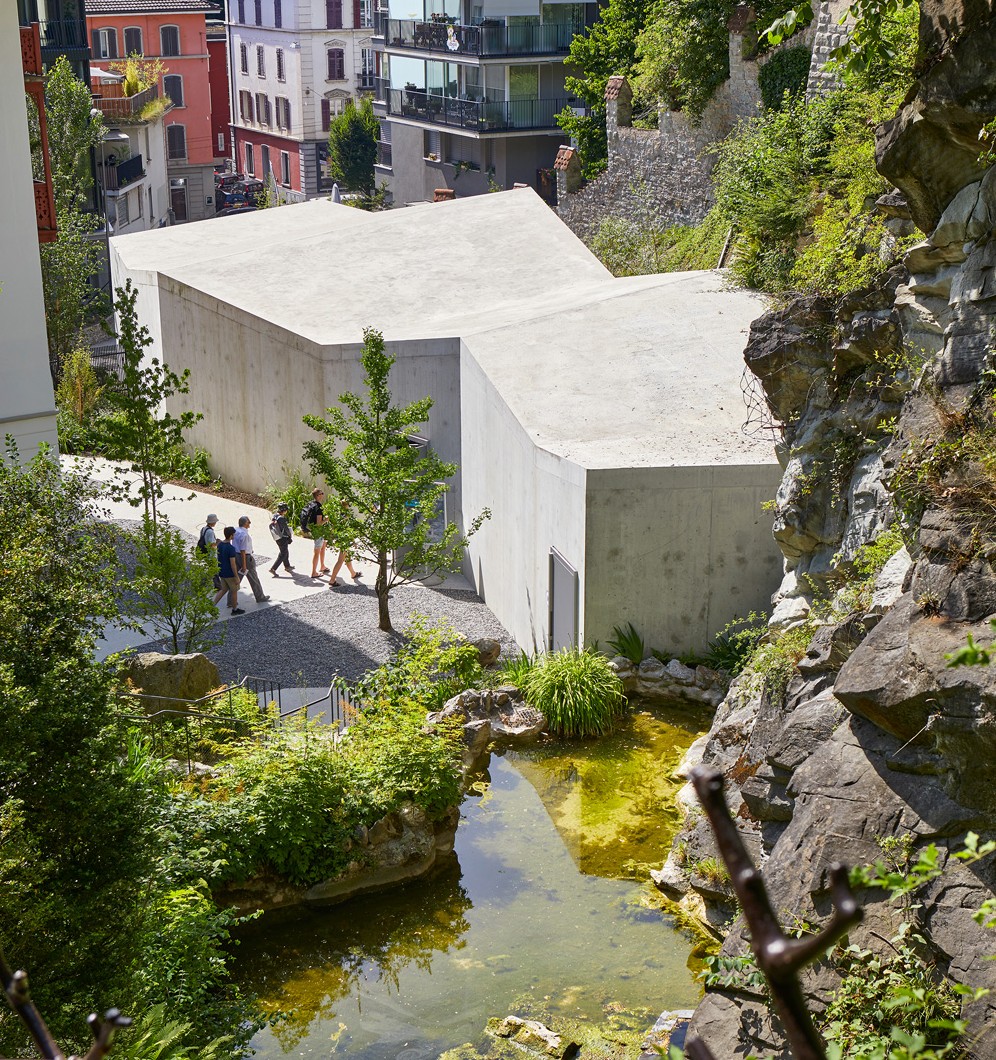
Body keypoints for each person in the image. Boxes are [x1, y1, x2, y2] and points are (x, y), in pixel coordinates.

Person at [233, 515, 270, 604]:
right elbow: (243, 550)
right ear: (245, 523)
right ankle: (260, 596)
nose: (250, 523)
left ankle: (231, 600)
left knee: (237, 578)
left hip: (236, 556)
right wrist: (244, 565)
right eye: (249, 522)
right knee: (253, 578)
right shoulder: (244, 534)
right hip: (245, 557)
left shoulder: (235, 530)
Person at [328, 499, 362, 589]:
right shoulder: (346, 516)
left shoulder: (338, 514)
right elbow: (347, 530)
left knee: (347, 557)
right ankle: (332, 580)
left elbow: (334, 527)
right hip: (345, 540)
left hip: (340, 538)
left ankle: (353, 573)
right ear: (346, 505)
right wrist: (353, 540)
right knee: (340, 560)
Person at [213, 526, 244, 614]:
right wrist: (236, 576)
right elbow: (233, 564)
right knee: (234, 591)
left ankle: (211, 606)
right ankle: (234, 609)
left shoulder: (220, 545)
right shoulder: (231, 549)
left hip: (222, 572)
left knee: (223, 589)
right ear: (231, 535)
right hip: (230, 574)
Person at [304, 488, 330, 579]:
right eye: (322, 493)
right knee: (317, 551)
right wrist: (326, 519)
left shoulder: (313, 504)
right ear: (318, 496)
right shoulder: (318, 507)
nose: (323, 494)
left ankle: (322, 566)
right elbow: (319, 523)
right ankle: (314, 572)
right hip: (318, 531)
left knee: (323, 547)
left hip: (315, 530)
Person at [269, 503, 294, 576]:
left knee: (285, 551)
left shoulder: (275, 516)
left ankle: (287, 566)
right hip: (283, 538)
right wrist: (289, 536)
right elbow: (286, 529)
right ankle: (273, 568)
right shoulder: (281, 518)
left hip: (277, 537)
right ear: (284, 510)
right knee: (283, 553)